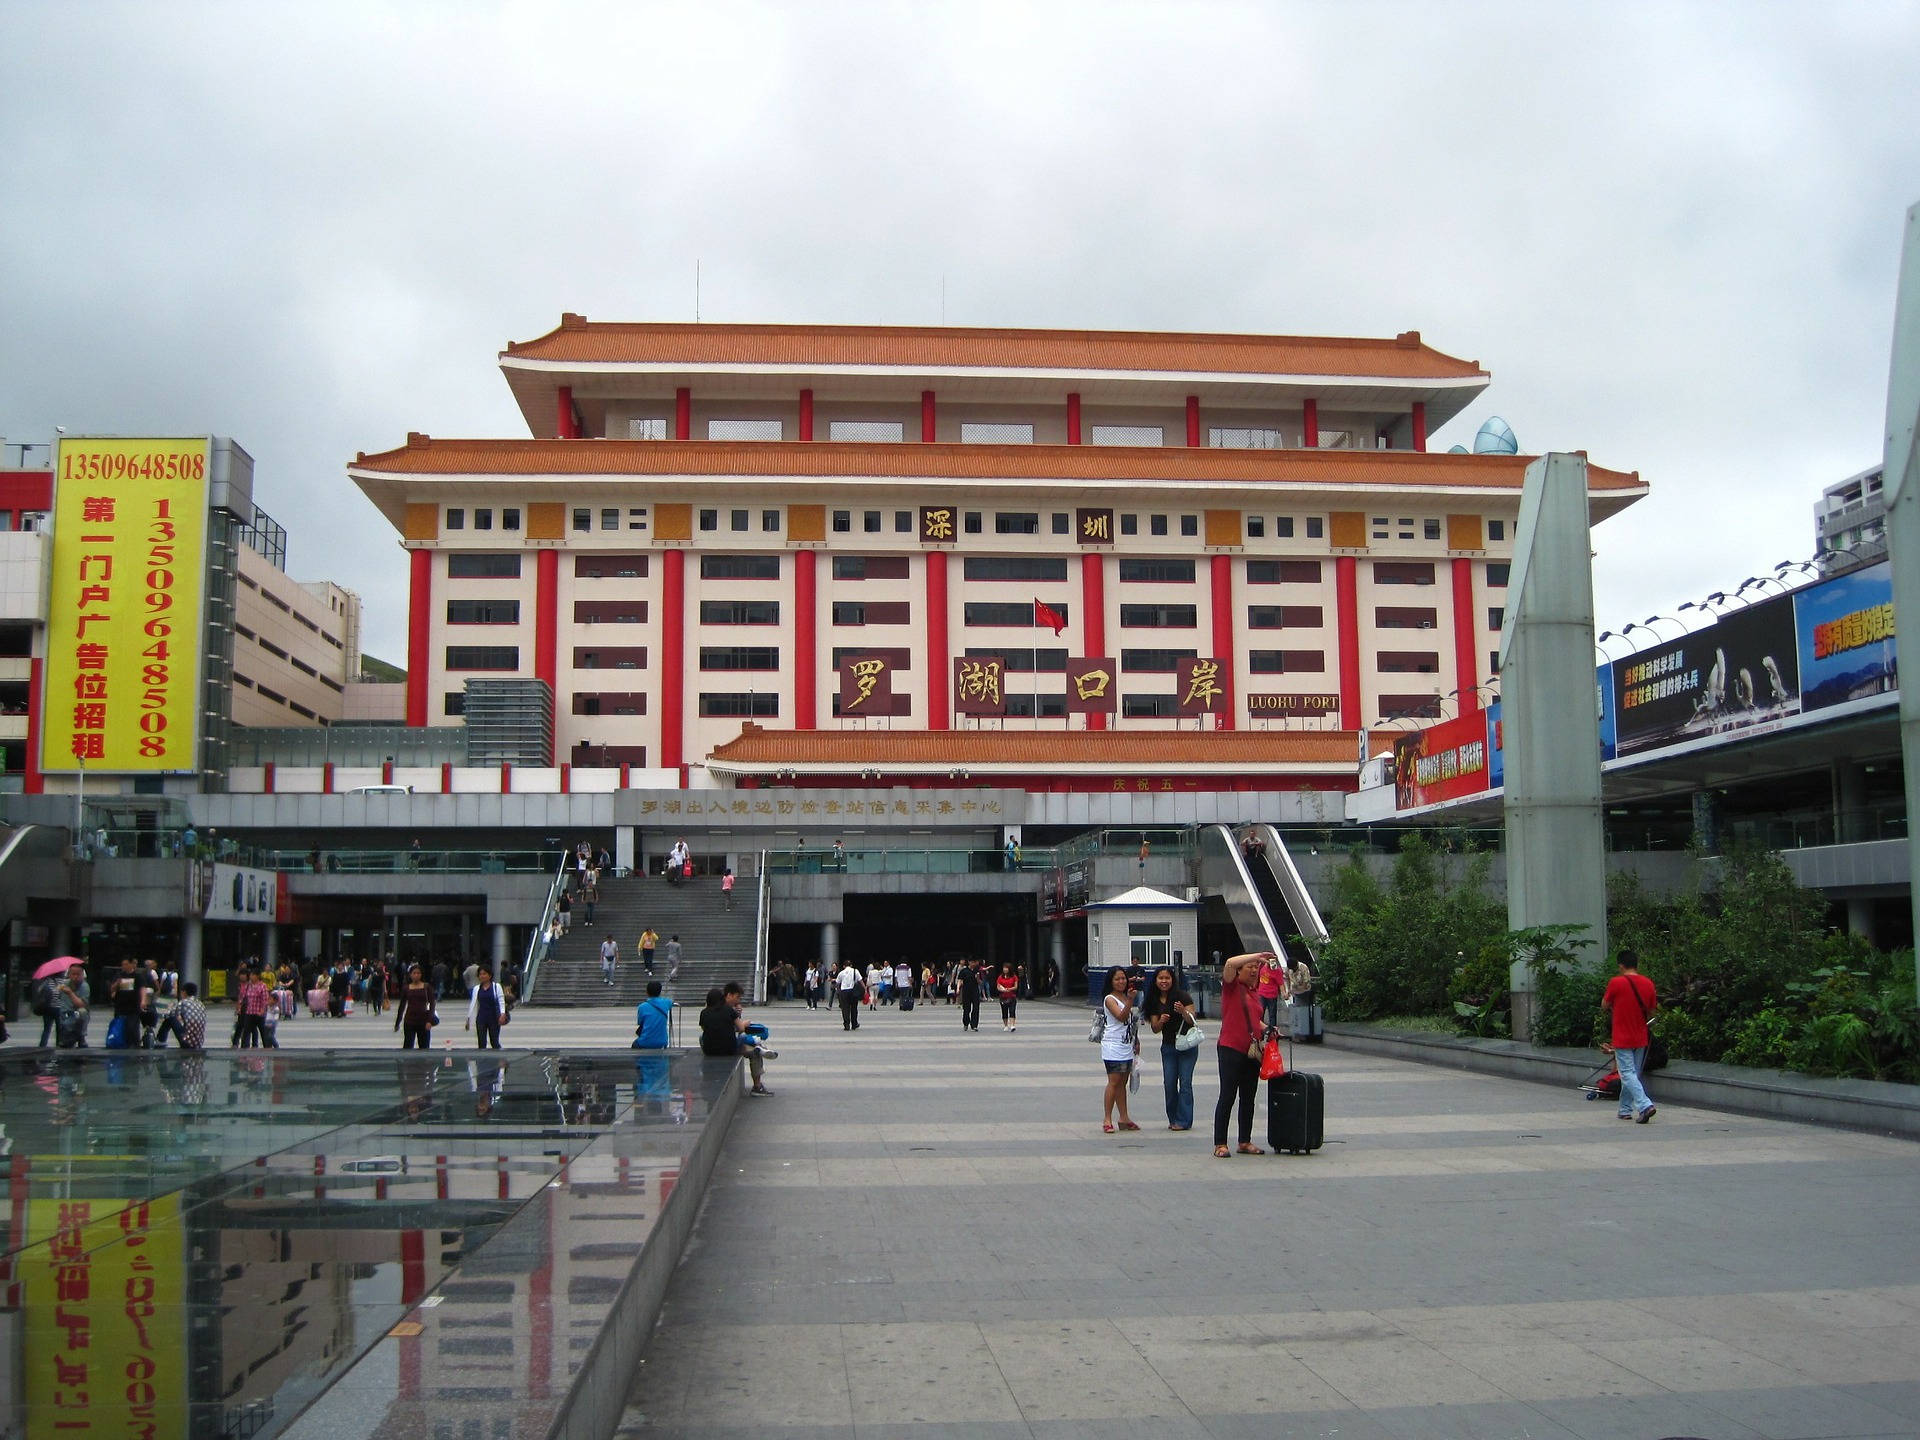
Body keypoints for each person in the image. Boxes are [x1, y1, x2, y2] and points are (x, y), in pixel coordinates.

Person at [1213, 950, 1272, 1157]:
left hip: (1251, 1051)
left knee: (1248, 1097)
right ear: (1239, 971)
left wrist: (1267, 1028)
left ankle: (1244, 1141)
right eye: (1250, 967)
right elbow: (1229, 962)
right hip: (1230, 1047)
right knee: (1228, 1095)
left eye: (1257, 967)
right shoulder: (1232, 986)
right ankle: (1220, 1143)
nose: (1254, 970)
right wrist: (1256, 955)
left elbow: (1254, 1019)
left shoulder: (1253, 991)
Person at [1602, 950, 1659, 1123]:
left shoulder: (1616, 982)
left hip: (1622, 1036)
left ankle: (1645, 1105)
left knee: (1627, 1073)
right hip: (1640, 1036)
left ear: (1621, 966)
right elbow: (1652, 1011)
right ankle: (1625, 1109)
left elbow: (1604, 1005)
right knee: (1633, 1074)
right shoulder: (1648, 983)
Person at [1142, 967, 1198, 1131]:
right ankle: (1173, 1118)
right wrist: (1161, 1021)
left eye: (1167, 978)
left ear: (1173, 980)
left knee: (1185, 1083)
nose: (1164, 981)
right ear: (1156, 980)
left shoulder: (1182, 996)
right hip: (1168, 1047)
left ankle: (1184, 1121)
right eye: (1161, 978)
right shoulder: (1153, 1000)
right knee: (1169, 1083)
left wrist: (1183, 1012)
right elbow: (1155, 1028)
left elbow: (1192, 1019)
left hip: (1187, 1045)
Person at [700, 983, 774, 1095]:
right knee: (750, 1046)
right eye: (737, 997)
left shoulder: (704, 1012)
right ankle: (757, 1086)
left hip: (709, 1050)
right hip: (730, 1048)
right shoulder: (729, 1010)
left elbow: (704, 1029)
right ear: (729, 995)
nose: (738, 1001)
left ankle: (758, 1046)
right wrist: (740, 1019)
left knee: (702, 1037)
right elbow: (740, 1029)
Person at [1097, 966, 1141, 1133]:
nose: (1121, 981)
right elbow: (1121, 1016)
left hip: (1127, 1044)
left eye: (1123, 978)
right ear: (1111, 981)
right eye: (1117, 979)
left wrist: (1136, 1040)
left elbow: (1130, 1022)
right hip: (1113, 1045)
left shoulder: (1124, 996)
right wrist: (1130, 1000)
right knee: (1114, 1081)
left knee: (1123, 1081)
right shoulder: (1110, 999)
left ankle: (1124, 1118)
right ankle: (1107, 1118)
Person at [395, 964, 438, 1049]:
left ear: (421, 974)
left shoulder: (426, 987)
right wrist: (398, 1022)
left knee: (424, 1046)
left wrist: (429, 1021)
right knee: (408, 1045)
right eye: (414, 973)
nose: (416, 975)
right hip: (409, 1020)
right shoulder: (406, 988)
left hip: (423, 1020)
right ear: (410, 974)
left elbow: (432, 1004)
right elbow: (402, 1005)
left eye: (418, 973)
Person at [155, 982, 206, 1050]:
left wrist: (169, 1008)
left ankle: (160, 1041)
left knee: (171, 1018)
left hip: (187, 1042)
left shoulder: (184, 1003)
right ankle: (160, 1041)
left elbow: (167, 1015)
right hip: (198, 1042)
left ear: (184, 992)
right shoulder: (200, 1004)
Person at [466, 965, 508, 1050]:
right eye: (480, 974)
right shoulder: (476, 989)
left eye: (484, 974)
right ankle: (482, 1058)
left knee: (494, 1042)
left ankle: (500, 1057)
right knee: (481, 1043)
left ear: (490, 975)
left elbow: (501, 1001)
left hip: (493, 1018)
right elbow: (473, 1004)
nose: (482, 976)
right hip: (481, 1018)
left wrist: (502, 1014)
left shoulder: (496, 987)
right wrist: (469, 1019)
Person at [53, 961, 90, 1048]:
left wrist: (70, 993)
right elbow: (58, 998)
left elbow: (81, 1005)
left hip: (77, 1012)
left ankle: (81, 1037)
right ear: (69, 974)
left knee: (82, 1012)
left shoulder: (84, 986)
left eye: (78, 974)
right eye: (73, 974)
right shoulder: (65, 984)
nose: (75, 977)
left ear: (82, 975)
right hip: (65, 1012)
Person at [236, 966, 271, 1048]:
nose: (251, 977)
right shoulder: (249, 985)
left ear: (258, 976)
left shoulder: (262, 986)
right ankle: (244, 1048)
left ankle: (267, 1047)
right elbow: (242, 997)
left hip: (259, 1013)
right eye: (250, 975)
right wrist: (239, 1007)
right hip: (249, 1012)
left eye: (253, 975)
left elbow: (265, 1000)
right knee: (246, 1031)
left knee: (263, 1032)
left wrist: (262, 1011)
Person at [635, 980, 673, 1049]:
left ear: (647, 992)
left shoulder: (642, 1007)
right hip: (662, 1042)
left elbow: (640, 1022)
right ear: (660, 991)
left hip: (645, 1042)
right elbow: (671, 1002)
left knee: (635, 1044)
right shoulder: (666, 1003)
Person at [1257, 955, 1287, 1030]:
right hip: (1261, 993)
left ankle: (1272, 1032)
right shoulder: (1262, 966)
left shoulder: (1277, 971)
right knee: (1260, 1013)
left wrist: (1284, 993)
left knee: (1272, 1015)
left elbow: (1281, 983)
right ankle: (1259, 1031)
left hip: (1272, 995)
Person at [836, 958, 863, 1030]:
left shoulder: (841, 973)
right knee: (854, 1008)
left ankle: (846, 1025)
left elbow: (837, 983)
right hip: (853, 992)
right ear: (851, 965)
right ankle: (854, 1024)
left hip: (844, 992)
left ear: (844, 966)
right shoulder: (855, 971)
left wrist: (838, 992)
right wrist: (865, 989)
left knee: (845, 1009)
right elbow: (860, 981)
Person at [956, 959, 982, 1033]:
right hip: (966, 991)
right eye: (972, 962)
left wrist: (977, 978)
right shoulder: (964, 971)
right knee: (966, 1009)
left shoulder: (977, 971)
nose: (974, 964)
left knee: (976, 1008)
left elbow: (980, 983)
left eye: (975, 962)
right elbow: (960, 980)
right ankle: (966, 1022)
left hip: (975, 991)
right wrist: (958, 988)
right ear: (969, 962)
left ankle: (974, 1025)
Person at [994, 962, 1020, 1032]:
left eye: (1006, 968)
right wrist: (1003, 990)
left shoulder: (1014, 976)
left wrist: (1009, 989)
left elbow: (1016, 986)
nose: (1005, 969)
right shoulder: (1000, 977)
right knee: (1004, 1011)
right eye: (1004, 968)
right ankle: (1005, 1025)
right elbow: (998, 986)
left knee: (1012, 1011)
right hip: (1003, 997)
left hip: (1012, 996)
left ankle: (1012, 1025)